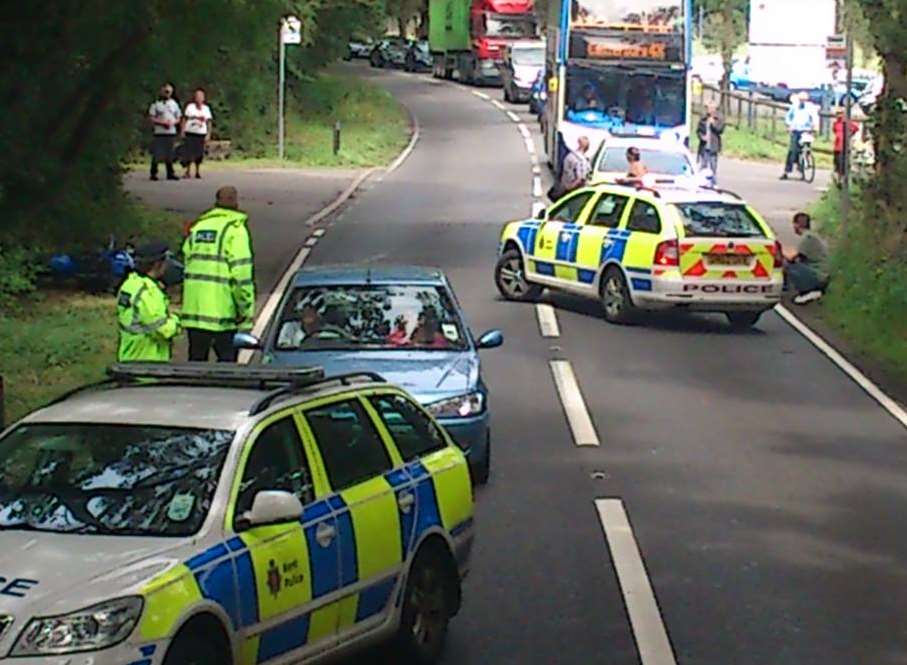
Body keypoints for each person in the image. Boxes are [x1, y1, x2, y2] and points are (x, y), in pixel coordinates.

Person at [181, 186, 255, 361]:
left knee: (196, 364)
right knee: (226, 365)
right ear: (236, 202)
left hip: (195, 312)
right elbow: (241, 274)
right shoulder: (235, 230)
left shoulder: (199, 227)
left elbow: (187, 260)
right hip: (223, 313)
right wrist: (244, 308)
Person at [116, 241, 181, 362]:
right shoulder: (147, 292)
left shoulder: (130, 284)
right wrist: (176, 320)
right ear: (157, 264)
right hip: (147, 363)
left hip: (130, 356)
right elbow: (163, 330)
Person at [783, 212, 829, 304]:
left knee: (786, 264)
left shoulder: (808, 238)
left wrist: (778, 248)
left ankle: (809, 291)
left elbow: (791, 257)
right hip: (820, 273)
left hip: (818, 275)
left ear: (796, 225)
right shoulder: (810, 236)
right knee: (793, 263)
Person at [148, 83, 182, 181]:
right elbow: (151, 118)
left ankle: (170, 173)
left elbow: (179, 117)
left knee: (170, 153)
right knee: (157, 153)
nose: (167, 93)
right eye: (166, 91)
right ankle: (153, 173)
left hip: (171, 132)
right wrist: (162, 122)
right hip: (159, 132)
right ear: (162, 91)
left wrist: (173, 123)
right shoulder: (156, 103)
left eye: (169, 92)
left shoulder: (174, 103)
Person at [780, 92, 816, 180]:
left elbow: (815, 118)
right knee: (792, 150)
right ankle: (787, 171)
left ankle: (802, 170)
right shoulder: (794, 106)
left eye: (804, 100)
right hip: (795, 130)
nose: (802, 101)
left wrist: (815, 127)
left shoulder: (810, 107)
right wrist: (789, 125)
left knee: (805, 150)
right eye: (800, 100)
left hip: (806, 130)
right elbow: (788, 116)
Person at [180, 88, 214, 179]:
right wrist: (182, 130)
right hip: (190, 133)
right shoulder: (190, 107)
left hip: (201, 133)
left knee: (199, 153)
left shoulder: (206, 109)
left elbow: (209, 122)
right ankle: (187, 171)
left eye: (200, 97)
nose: (198, 98)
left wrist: (208, 134)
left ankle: (197, 171)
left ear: (203, 98)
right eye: (197, 96)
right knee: (188, 152)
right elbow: (184, 119)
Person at [696, 102, 725, 180]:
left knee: (713, 168)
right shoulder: (703, 118)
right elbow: (698, 131)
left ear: (714, 109)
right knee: (702, 167)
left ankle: (713, 183)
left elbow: (720, 130)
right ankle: (701, 182)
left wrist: (713, 124)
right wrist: (702, 137)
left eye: (710, 108)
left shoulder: (719, 118)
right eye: (708, 108)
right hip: (704, 147)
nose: (709, 110)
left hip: (713, 147)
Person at [832, 110, 859, 181]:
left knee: (843, 163)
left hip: (845, 146)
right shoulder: (835, 123)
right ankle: (838, 177)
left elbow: (855, 128)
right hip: (837, 146)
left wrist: (850, 134)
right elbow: (834, 130)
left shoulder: (846, 123)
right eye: (837, 114)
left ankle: (843, 178)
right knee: (837, 162)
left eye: (841, 114)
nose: (839, 115)